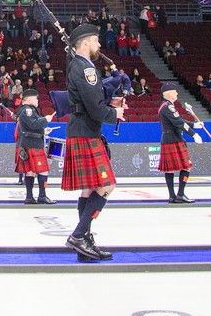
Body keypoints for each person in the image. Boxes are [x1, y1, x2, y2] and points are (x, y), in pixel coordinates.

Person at [61, 23, 124, 262]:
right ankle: (79, 235)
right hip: (86, 131)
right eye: (96, 40)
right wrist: (115, 114)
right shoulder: (87, 68)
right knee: (107, 185)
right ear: (86, 42)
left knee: (89, 188)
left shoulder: (78, 65)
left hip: (81, 130)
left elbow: (90, 100)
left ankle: (84, 242)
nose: (99, 45)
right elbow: (95, 109)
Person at [157, 82, 203, 203]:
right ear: (169, 93)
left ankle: (173, 196)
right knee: (187, 166)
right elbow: (179, 123)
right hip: (174, 140)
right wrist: (194, 134)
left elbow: (179, 120)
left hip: (168, 139)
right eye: (175, 91)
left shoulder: (166, 106)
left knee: (170, 169)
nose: (177, 93)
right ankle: (180, 194)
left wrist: (194, 125)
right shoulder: (168, 107)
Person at [16, 88, 56, 205]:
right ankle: (42, 196)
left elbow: (30, 127)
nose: (38, 100)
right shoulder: (27, 110)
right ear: (29, 99)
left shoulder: (28, 110)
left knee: (30, 171)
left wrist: (43, 131)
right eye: (36, 98)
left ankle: (29, 197)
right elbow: (33, 124)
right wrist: (45, 119)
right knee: (43, 171)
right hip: (33, 144)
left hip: (29, 143)